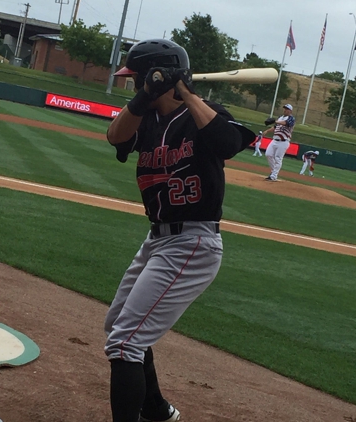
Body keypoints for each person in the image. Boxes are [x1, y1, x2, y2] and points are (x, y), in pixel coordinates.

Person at [105, 38, 255, 422]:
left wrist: (184, 91)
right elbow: (116, 137)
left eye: (137, 81)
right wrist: (145, 97)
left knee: (125, 343)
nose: (133, 86)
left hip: (194, 241)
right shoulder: (146, 121)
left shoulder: (204, 115)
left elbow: (226, 142)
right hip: (157, 240)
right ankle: (155, 409)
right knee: (118, 325)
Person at [262, 104, 295, 181]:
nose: (285, 110)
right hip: (275, 140)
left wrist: (276, 121)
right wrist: (267, 131)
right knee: (268, 154)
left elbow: (287, 123)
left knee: (278, 158)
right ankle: (273, 172)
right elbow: (275, 127)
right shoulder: (280, 117)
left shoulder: (291, 118)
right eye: (284, 108)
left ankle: (273, 176)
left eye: (287, 109)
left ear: (290, 111)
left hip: (283, 141)